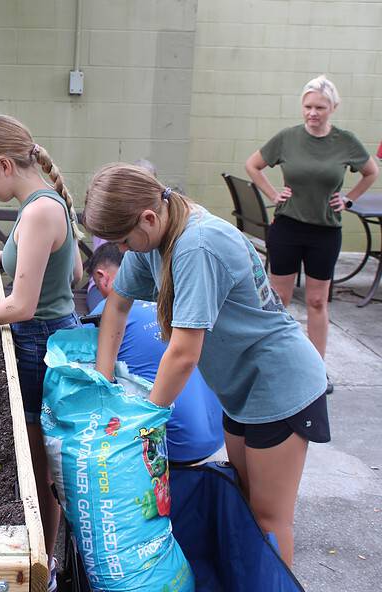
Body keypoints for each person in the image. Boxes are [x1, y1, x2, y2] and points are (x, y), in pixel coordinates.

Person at [83, 163, 330, 567]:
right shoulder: (156, 234)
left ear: (147, 217)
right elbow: (117, 305)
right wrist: (103, 379)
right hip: (240, 390)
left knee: (270, 518)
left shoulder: (196, 245)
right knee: (246, 505)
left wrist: (144, 424)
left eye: (125, 241)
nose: (122, 252)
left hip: (280, 384)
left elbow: (183, 352)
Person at [0, 114, 84, 591]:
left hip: (39, 342)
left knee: (34, 462)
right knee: (32, 457)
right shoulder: (38, 204)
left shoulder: (39, 210)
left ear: (4, 165)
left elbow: (22, 305)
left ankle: (43, 566)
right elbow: (34, 265)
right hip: (42, 335)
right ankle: (44, 558)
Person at [245, 75, 379, 393]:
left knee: (318, 301)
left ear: (332, 107)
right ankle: (275, 363)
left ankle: (316, 370)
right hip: (288, 227)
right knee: (280, 300)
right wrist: (272, 193)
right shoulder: (287, 138)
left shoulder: (345, 141)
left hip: (325, 232)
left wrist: (349, 199)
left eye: (320, 107)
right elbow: (253, 165)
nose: (312, 113)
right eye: (308, 106)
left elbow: (371, 171)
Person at [87, 242, 224, 464]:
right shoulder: (174, 301)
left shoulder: (102, 313)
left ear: (102, 277)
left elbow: (87, 375)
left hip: (175, 445)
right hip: (219, 435)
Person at [85, 159, 158, 312]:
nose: (123, 248)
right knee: (100, 315)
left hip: (139, 286)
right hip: (109, 281)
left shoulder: (144, 234)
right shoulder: (120, 221)